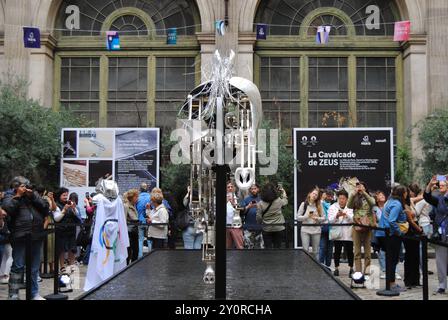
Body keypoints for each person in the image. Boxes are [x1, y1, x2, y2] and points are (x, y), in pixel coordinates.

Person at [2, 176, 50, 300]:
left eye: (27, 186)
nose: (26, 188)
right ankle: (13, 295)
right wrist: (18, 196)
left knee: (34, 268)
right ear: (16, 187)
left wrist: (33, 196)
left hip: (36, 235)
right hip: (20, 236)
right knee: (18, 266)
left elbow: (46, 207)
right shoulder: (9, 196)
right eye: (23, 186)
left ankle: (33, 294)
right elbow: (8, 209)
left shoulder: (33, 196)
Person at [377, 185, 408, 293]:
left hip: (384, 234)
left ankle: (390, 283)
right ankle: (392, 284)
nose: (406, 194)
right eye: (405, 192)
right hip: (391, 235)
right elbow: (391, 220)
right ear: (402, 193)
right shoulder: (397, 204)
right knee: (393, 259)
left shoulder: (390, 201)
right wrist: (399, 232)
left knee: (390, 259)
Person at [423, 176, 448, 295]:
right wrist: (430, 185)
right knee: (441, 261)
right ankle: (442, 285)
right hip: (441, 235)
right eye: (440, 184)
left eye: (444, 184)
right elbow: (427, 197)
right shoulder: (439, 199)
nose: (441, 186)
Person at [348, 181, 376, 276]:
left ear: (365, 187)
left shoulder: (369, 196)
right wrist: (353, 193)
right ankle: (358, 272)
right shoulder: (355, 197)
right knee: (357, 251)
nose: (359, 188)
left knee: (368, 251)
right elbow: (349, 205)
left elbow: (372, 203)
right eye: (358, 187)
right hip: (357, 225)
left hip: (367, 225)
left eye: (361, 186)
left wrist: (364, 193)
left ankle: (367, 270)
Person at [372, 190, 401, 280]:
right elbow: (374, 221)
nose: (382, 196)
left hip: (390, 231)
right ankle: (384, 270)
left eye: (382, 194)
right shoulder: (375, 209)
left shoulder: (389, 205)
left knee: (393, 253)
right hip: (380, 232)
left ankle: (394, 271)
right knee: (381, 252)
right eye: (379, 195)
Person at [54, 188, 82, 274]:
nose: (66, 197)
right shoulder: (56, 205)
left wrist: (73, 209)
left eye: (66, 195)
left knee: (72, 249)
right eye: (64, 195)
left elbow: (78, 217)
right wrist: (64, 210)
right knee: (62, 249)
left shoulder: (70, 204)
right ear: (59, 196)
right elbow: (56, 218)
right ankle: (62, 266)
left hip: (71, 230)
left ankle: (71, 265)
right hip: (61, 231)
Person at [328, 190, 354, 277]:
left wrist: (346, 215)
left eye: (343, 198)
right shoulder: (332, 207)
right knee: (337, 251)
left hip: (348, 232)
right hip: (337, 232)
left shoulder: (350, 207)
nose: (341, 200)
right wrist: (337, 216)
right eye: (340, 198)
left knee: (350, 251)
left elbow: (354, 219)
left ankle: (351, 268)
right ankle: (336, 268)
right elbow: (330, 220)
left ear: (347, 199)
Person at [256, 183, 287, 249]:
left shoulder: (260, 203)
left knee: (268, 249)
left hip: (267, 229)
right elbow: (285, 201)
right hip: (279, 228)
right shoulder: (278, 201)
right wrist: (283, 192)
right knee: (277, 248)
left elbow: (258, 217)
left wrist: (261, 223)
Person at [403, 185, 423, 289]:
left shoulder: (410, 201)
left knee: (416, 255)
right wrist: (420, 229)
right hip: (410, 230)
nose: (409, 193)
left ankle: (416, 279)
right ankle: (409, 280)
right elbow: (410, 220)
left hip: (415, 229)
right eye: (407, 192)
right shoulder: (404, 205)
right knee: (409, 255)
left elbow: (422, 197)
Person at [296, 188, 324, 259]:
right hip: (305, 230)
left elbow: (324, 218)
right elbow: (298, 217)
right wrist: (306, 216)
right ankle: (306, 268)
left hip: (316, 230)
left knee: (315, 251)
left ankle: (316, 268)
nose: (314, 195)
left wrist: (317, 218)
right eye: (313, 193)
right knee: (305, 251)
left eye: (316, 195)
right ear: (310, 194)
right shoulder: (304, 204)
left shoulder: (319, 205)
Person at [240, 184, 263, 249]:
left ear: (258, 189)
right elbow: (241, 213)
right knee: (248, 249)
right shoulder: (246, 199)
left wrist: (258, 206)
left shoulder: (262, 199)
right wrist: (248, 207)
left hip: (260, 228)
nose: (253, 190)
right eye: (252, 189)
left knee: (260, 249)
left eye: (255, 188)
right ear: (250, 190)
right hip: (248, 227)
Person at [319, 189, 334, 267]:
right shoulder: (321, 203)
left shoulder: (333, 205)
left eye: (331, 196)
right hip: (323, 228)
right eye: (328, 196)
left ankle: (328, 266)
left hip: (331, 228)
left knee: (330, 249)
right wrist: (322, 198)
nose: (330, 198)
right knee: (322, 247)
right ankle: (321, 265)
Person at [124, 189, 139, 264]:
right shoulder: (126, 206)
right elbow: (123, 219)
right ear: (132, 197)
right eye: (136, 196)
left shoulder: (133, 206)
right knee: (128, 252)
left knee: (135, 251)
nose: (138, 198)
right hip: (129, 232)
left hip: (134, 232)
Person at [136, 183, 150, 258]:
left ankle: (140, 255)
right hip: (148, 221)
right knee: (149, 239)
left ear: (140, 189)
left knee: (140, 239)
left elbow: (135, 209)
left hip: (140, 220)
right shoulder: (150, 197)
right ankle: (150, 255)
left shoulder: (137, 198)